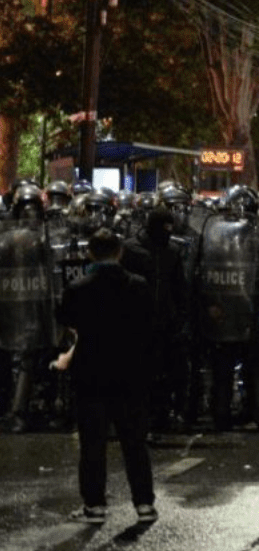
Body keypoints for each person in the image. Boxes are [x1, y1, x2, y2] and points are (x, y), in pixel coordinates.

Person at [57, 228, 157, 524]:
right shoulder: (138, 286)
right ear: (120, 252)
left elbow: (66, 320)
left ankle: (95, 505)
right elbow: (149, 325)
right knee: (134, 443)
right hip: (130, 373)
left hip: (92, 373)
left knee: (93, 444)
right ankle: (144, 504)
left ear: (90, 253)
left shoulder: (78, 287)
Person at [121, 206, 192, 432]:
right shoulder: (131, 249)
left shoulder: (171, 251)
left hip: (165, 321)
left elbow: (178, 285)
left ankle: (160, 415)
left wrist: (180, 315)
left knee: (166, 371)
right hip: (137, 321)